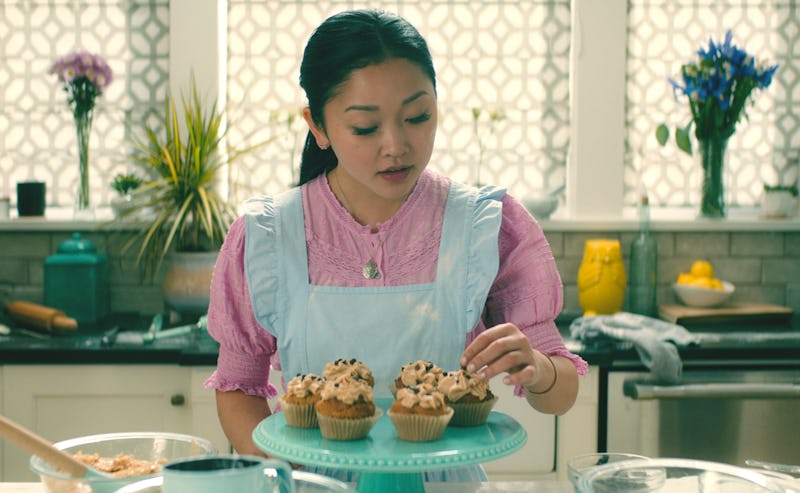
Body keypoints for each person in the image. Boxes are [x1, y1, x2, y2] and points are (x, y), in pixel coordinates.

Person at [204, 8, 587, 482]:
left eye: (417, 116)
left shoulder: (486, 224)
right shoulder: (267, 235)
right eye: (366, 128)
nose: (396, 145)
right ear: (317, 126)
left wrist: (539, 369)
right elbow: (238, 387)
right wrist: (290, 471)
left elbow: (561, 393)